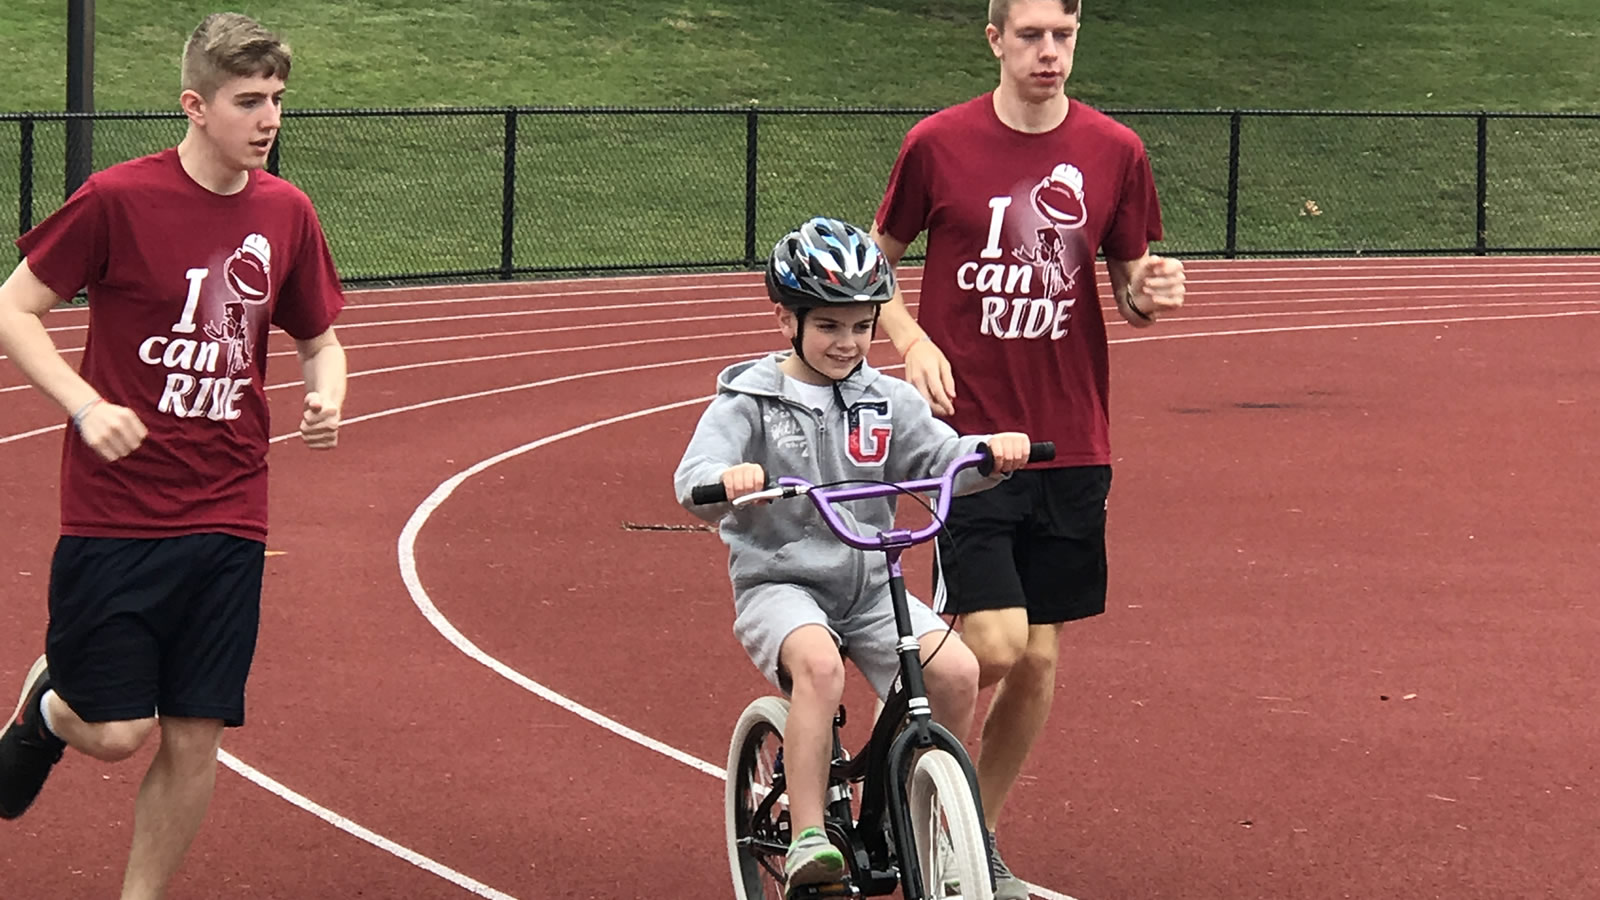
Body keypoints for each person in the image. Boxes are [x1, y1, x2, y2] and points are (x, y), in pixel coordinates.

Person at [0, 13, 347, 899]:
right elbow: (14, 309)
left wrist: (328, 389)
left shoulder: (287, 212)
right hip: (116, 511)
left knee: (196, 733)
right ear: (195, 106)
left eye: (276, 99)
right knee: (116, 734)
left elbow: (320, 338)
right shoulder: (118, 198)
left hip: (231, 508)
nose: (268, 118)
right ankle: (51, 702)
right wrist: (83, 406)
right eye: (247, 101)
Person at [867, 1, 1188, 895]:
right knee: (997, 646)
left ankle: (973, 837)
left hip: (1072, 438)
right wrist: (912, 341)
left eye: (1065, 36)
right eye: (1033, 36)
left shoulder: (1116, 151)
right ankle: (912, 783)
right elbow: (872, 260)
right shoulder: (938, 143)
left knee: (1041, 658)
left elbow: (1129, 289)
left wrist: (1154, 289)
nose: (1050, 52)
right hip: (966, 437)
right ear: (997, 40)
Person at [674, 216, 1032, 890]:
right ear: (787, 320)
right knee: (816, 665)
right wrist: (730, 480)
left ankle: (913, 810)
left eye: (862, 325)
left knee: (955, 670)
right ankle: (810, 832)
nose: (848, 342)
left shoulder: (887, 399)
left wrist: (989, 453)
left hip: (870, 582)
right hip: (781, 585)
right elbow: (694, 479)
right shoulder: (749, 401)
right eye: (829, 326)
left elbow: (941, 454)